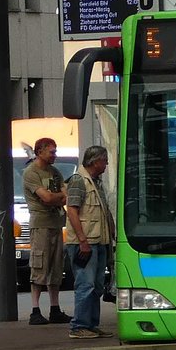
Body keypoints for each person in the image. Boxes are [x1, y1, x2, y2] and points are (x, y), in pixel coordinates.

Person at [65, 146, 115, 339]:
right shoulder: (79, 181)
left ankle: (91, 324)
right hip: (85, 242)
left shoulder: (96, 182)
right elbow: (72, 211)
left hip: (99, 241)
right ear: (95, 161)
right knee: (85, 284)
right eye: (104, 160)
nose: (106, 164)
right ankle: (79, 326)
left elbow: (104, 211)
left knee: (97, 285)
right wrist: (82, 240)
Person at [22, 137, 70, 325]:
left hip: (56, 223)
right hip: (40, 224)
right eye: (51, 151)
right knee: (39, 265)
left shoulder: (55, 172)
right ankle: (35, 310)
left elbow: (63, 196)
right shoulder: (31, 173)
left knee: (56, 267)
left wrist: (55, 197)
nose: (54, 155)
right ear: (40, 151)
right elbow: (47, 198)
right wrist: (57, 197)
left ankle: (54, 308)